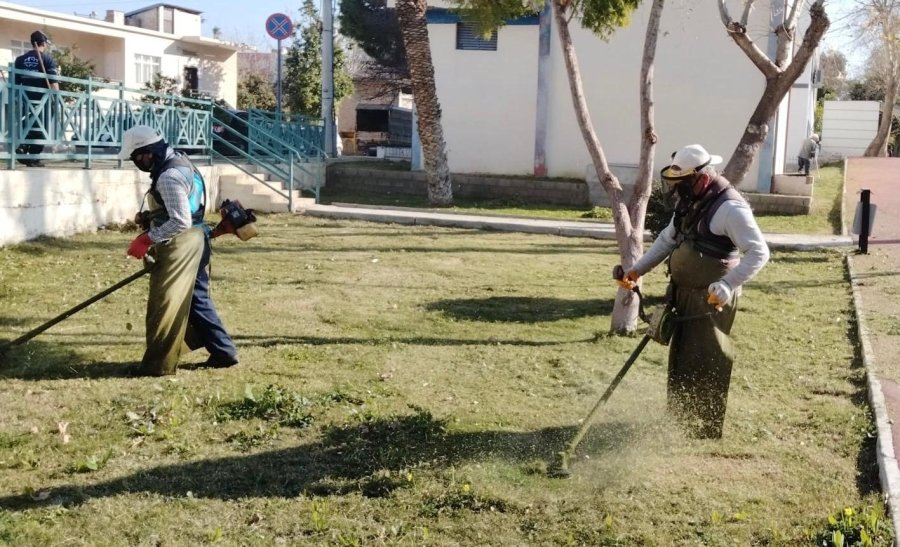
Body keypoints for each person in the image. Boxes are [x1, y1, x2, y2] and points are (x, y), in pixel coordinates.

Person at [613, 144, 770, 439]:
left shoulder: (730, 209)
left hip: (713, 297)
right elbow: (666, 240)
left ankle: (704, 427)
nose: (679, 190)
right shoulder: (691, 201)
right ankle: (679, 418)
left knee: (708, 357)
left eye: (684, 183)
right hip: (683, 293)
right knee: (683, 354)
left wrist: (727, 285)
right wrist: (637, 271)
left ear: (704, 178)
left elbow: (759, 253)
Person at [120, 125, 239, 376]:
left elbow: (180, 220)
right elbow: (185, 204)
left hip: (184, 247)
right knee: (197, 301)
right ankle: (223, 351)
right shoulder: (180, 160)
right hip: (195, 242)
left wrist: (147, 239)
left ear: (147, 152)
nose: (135, 163)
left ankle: (158, 365)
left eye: (135, 157)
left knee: (167, 304)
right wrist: (149, 217)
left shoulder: (168, 176)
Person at [13, 30, 60, 167]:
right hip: (42, 101)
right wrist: (57, 101)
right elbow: (53, 83)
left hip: (25, 100)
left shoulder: (20, 60)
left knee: (27, 124)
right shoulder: (47, 59)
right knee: (42, 127)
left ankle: (24, 148)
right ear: (43, 43)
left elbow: (16, 83)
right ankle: (33, 155)